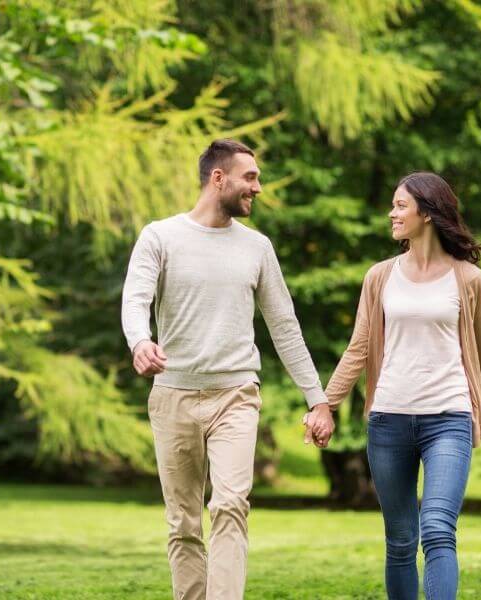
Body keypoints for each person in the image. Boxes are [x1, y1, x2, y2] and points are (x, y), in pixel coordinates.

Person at [121, 139, 334, 600]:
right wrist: (139, 340)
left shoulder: (257, 248)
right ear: (218, 178)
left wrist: (316, 396)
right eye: (250, 177)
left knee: (232, 505)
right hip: (173, 394)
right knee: (183, 522)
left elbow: (284, 326)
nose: (257, 187)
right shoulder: (160, 236)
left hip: (235, 395)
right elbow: (135, 298)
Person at [320, 171, 481, 600]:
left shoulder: (468, 279)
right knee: (401, 540)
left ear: (427, 213)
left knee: (439, 528)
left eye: (400, 205)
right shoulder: (380, 277)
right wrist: (325, 404)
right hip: (389, 420)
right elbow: (358, 348)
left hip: (449, 417)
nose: (392, 213)